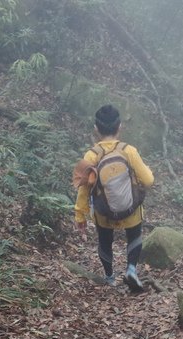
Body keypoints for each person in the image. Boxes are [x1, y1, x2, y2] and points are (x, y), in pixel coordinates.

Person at [73, 105, 155, 291]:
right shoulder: (129, 151)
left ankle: (110, 277)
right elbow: (149, 181)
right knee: (134, 234)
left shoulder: (90, 155)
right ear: (119, 127)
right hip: (131, 209)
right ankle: (131, 270)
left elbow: (83, 189)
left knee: (104, 240)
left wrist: (80, 215)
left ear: (96, 129)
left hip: (103, 212)